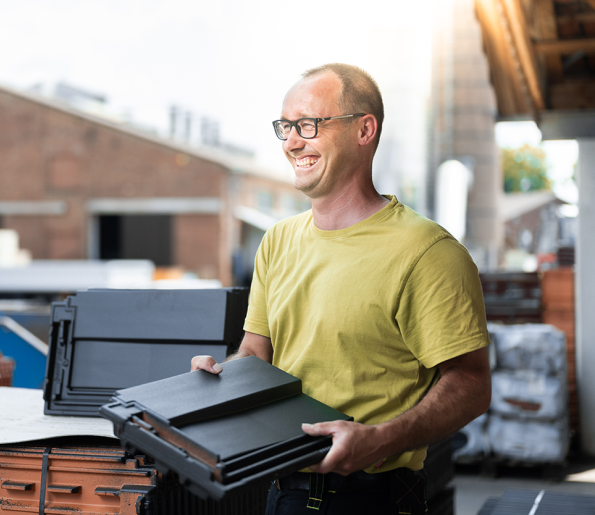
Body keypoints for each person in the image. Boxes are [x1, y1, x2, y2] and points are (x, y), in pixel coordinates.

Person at [191, 63, 491, 515]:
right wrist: (220, 379)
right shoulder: (277, 242)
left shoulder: (427, 252)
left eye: (309, 125)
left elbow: (471, 383)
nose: (292, 141)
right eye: (286, 127)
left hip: (375, 498)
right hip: (282, 489)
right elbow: (256, 352)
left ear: (364, 130)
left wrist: (379, 440)